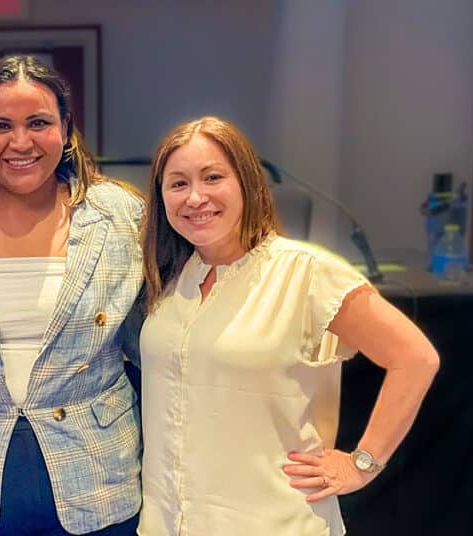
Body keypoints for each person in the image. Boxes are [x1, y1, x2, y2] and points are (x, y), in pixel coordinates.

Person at [137, 116, 440, 535]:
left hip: (273, 521)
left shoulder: (307, 274)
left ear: (246, 182)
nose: (195, 197)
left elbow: (415, 357)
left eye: (212, 177)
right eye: (178, 183)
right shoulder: (171, 278)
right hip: (168, 522)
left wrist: (363, 463)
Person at [0, 55, 144, 536]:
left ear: (65, 128)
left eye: (38, 122)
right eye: (1, 125)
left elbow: (162, 334)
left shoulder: (122, 216)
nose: (20, 142)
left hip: (97, 473)